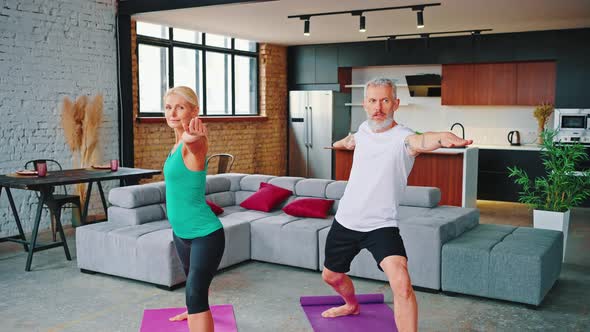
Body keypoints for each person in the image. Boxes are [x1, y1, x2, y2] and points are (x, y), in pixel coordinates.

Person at [323, 78, 472, 332]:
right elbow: (351, 140)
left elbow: (422, 141)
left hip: (381, 225)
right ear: (365, 104)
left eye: (385, 100)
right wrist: (337, 144)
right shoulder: (363, 130)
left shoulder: (404, 138)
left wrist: (441, 138)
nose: (378, 107)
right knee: (331, 276)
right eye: (372, 101)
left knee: (402, 285)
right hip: (346, 221)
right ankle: (351, 304)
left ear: (396, 103)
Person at [162, 86, 225, 332]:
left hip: (205, 236)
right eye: (169, 107)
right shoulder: (176, 145)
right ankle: (192, 311)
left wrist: (192, 137)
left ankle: (194, 310)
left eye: (180, 107)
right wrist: (184, 137)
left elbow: (197, 144)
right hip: (181, 234)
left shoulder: (192, 145)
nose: (173, 113)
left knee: (195, 293)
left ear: (195, 111)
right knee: (193, 287)